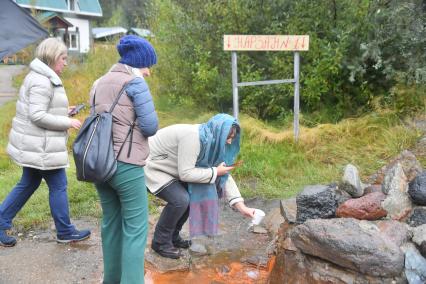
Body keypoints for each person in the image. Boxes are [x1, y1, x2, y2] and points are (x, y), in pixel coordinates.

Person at [0, 38, 91, 247]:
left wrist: (63, 111)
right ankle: (65, 231)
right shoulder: (42, 80)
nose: (66, 63)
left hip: (36, 144)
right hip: (40, 147)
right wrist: (67, 121)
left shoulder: (40, 76)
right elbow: (37, 115)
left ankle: (1, 220)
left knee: (28, 182)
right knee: (59, 185)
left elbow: (41, 110)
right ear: (51, 57)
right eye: (63, 58)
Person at [91, 35, 158, 283]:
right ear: (136, 63)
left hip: (100, 165)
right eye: (146, 65)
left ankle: (111, 280)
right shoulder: (135, 83)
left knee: (111, 225)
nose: (148, 72)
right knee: (135, 229)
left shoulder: (98, 82)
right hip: (127, 165)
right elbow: (150, 126)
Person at [145, 113, 255, 259]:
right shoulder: (193, 137)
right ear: (219, 133)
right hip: (152, 165)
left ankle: (173, 236)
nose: (229, 142)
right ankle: (160, 242)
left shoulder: (212, 143)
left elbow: (225, 176)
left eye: (232, 137)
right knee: (180, 200)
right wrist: (215, 171)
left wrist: (242, 207)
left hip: (173, 168)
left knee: (192, 195)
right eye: (228, 137)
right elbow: (186, 174)